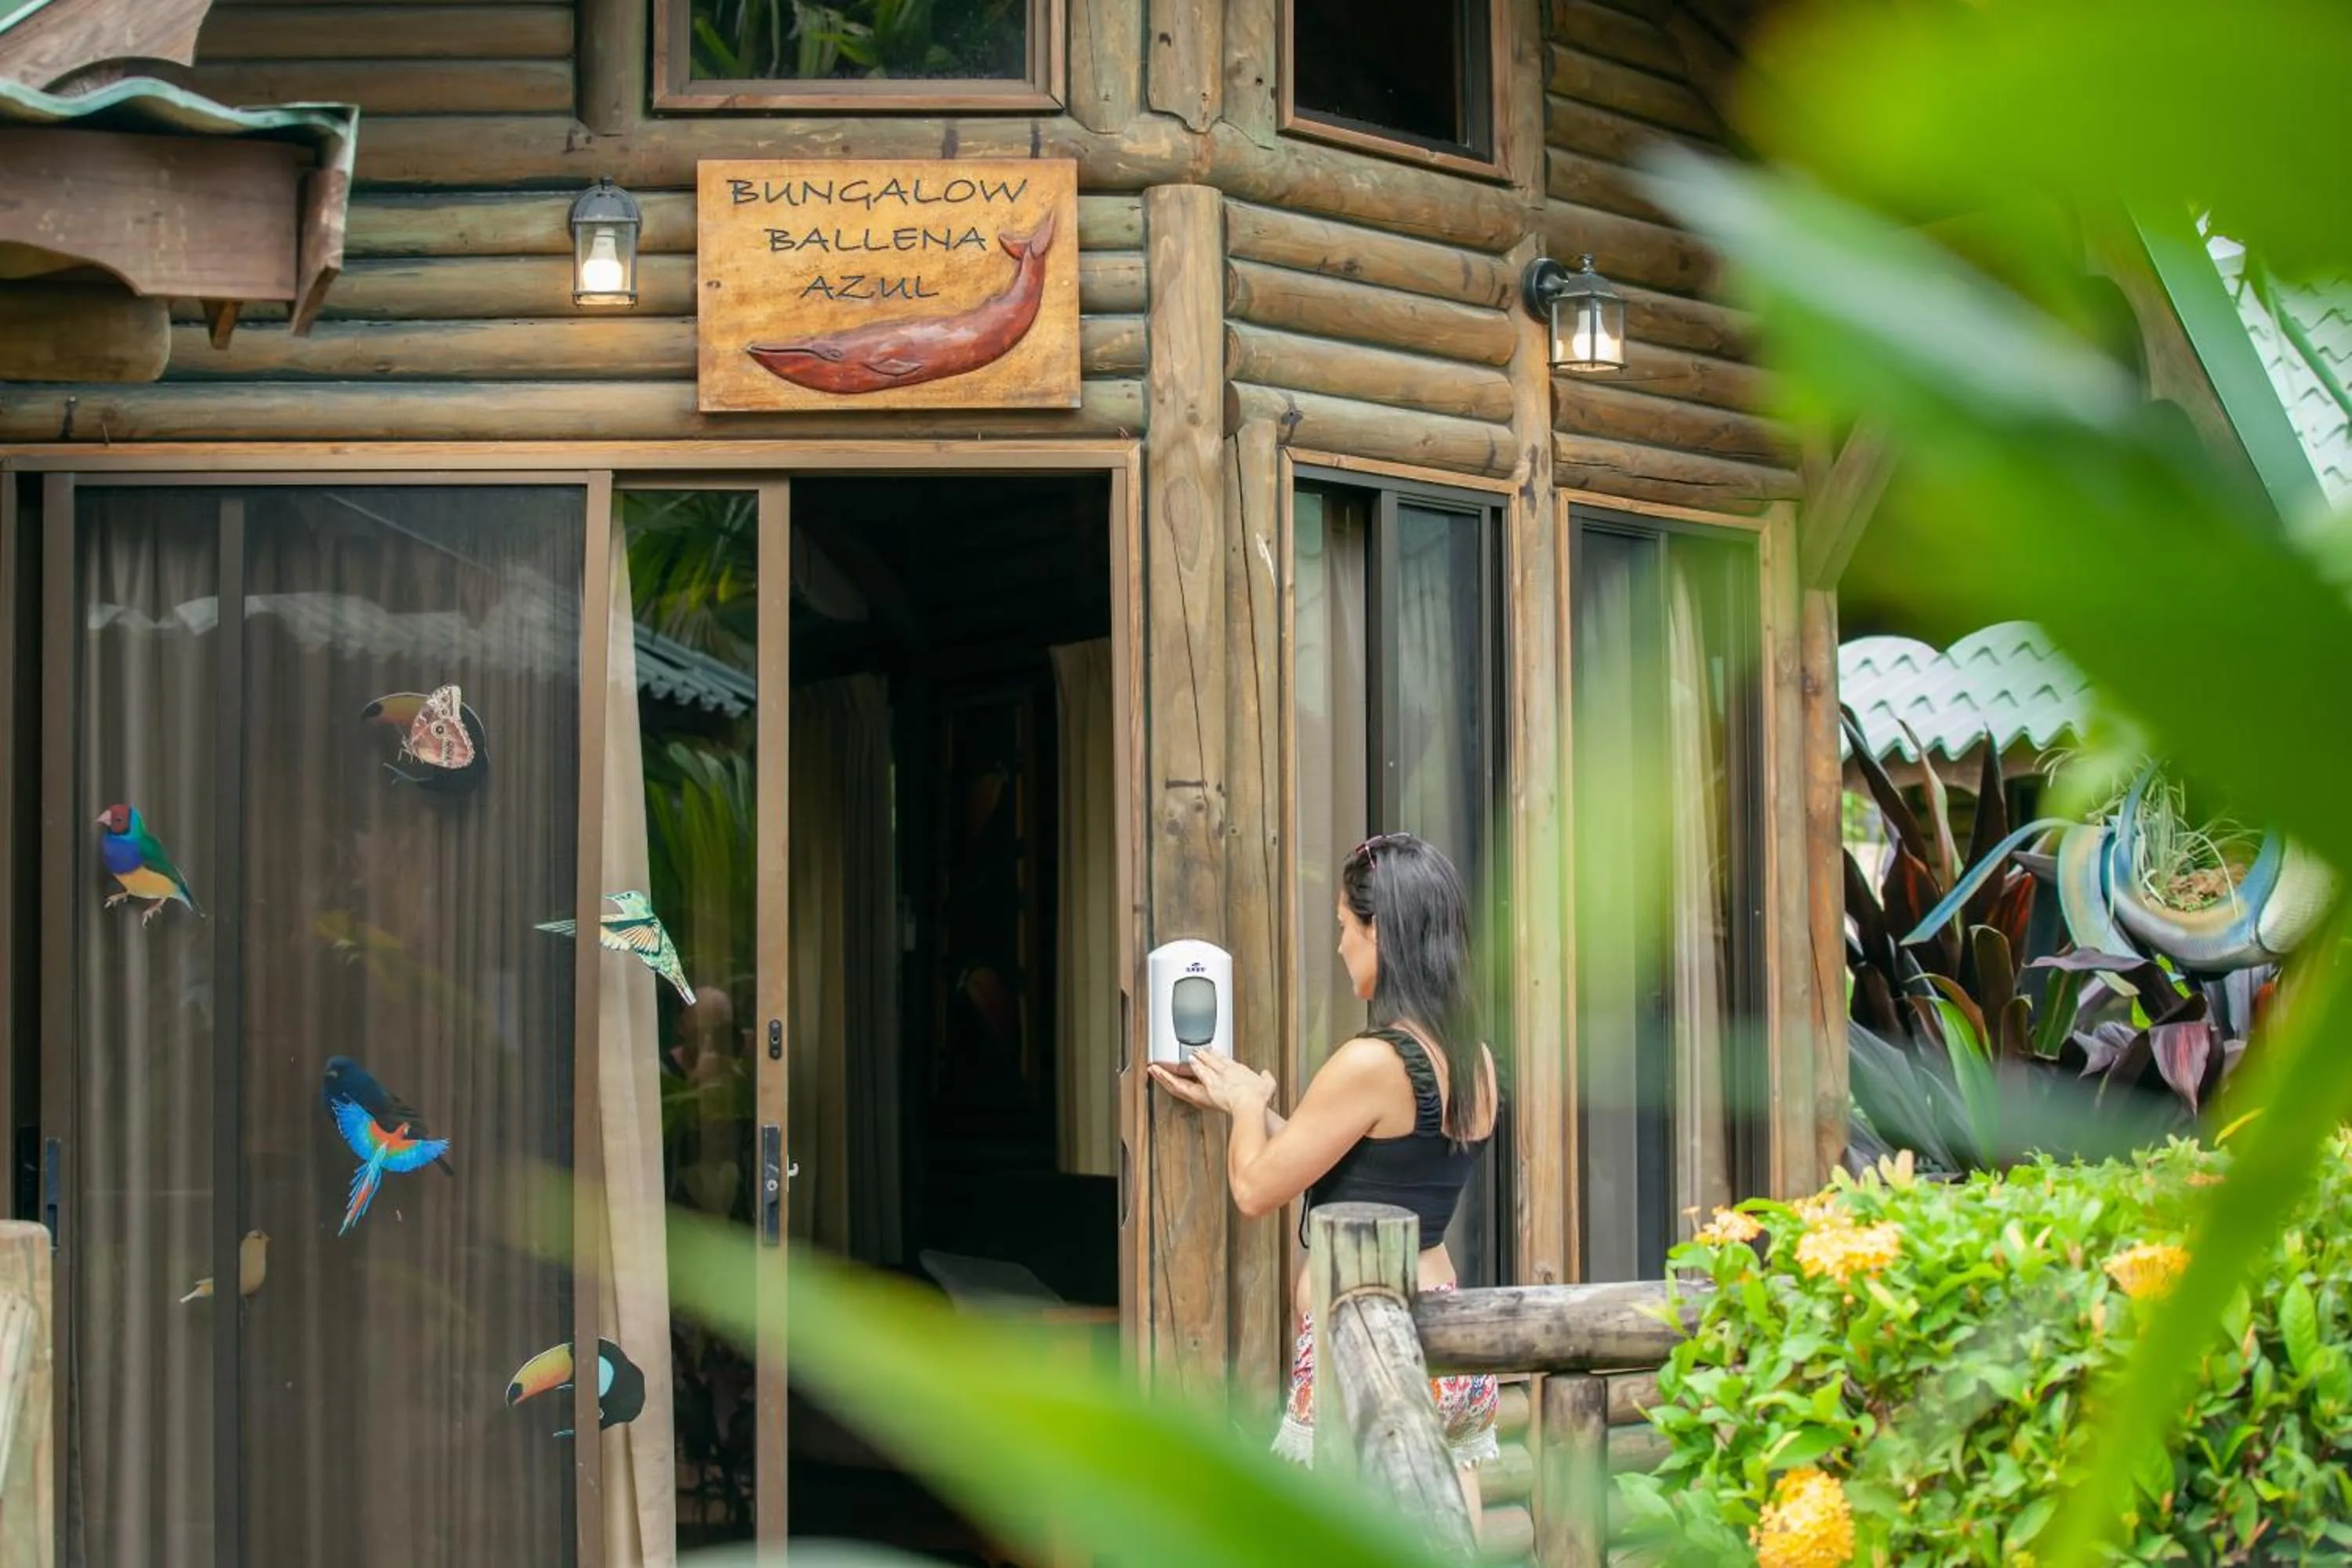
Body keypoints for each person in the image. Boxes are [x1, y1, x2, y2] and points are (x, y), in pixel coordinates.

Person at [1148, 830, 1501, 1501]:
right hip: (1450, 1333)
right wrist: (1238, 1105)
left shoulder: (1374, 1061)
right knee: (1451, 1517)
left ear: (1383, 934)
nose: (1340, 944)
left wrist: (1252, 1104)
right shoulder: (1473, 1059)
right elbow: (1361, 1166)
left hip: (1368, 1342)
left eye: (1346, 926)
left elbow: (1254, 1189)